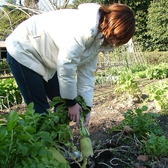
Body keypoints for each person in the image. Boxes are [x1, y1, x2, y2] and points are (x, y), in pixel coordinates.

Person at [5, 3, 135, 126]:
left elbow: (87, 75)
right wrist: (72, 102)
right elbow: (66, 63)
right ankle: (45, 147)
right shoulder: (84, 27)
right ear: (111, 24)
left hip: (43, 58)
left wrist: (86, 108)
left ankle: (60, 145)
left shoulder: (97, 39)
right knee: (39, 109)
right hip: (24, 49)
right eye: (116, 37)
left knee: (62, 102)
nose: (113, 42)